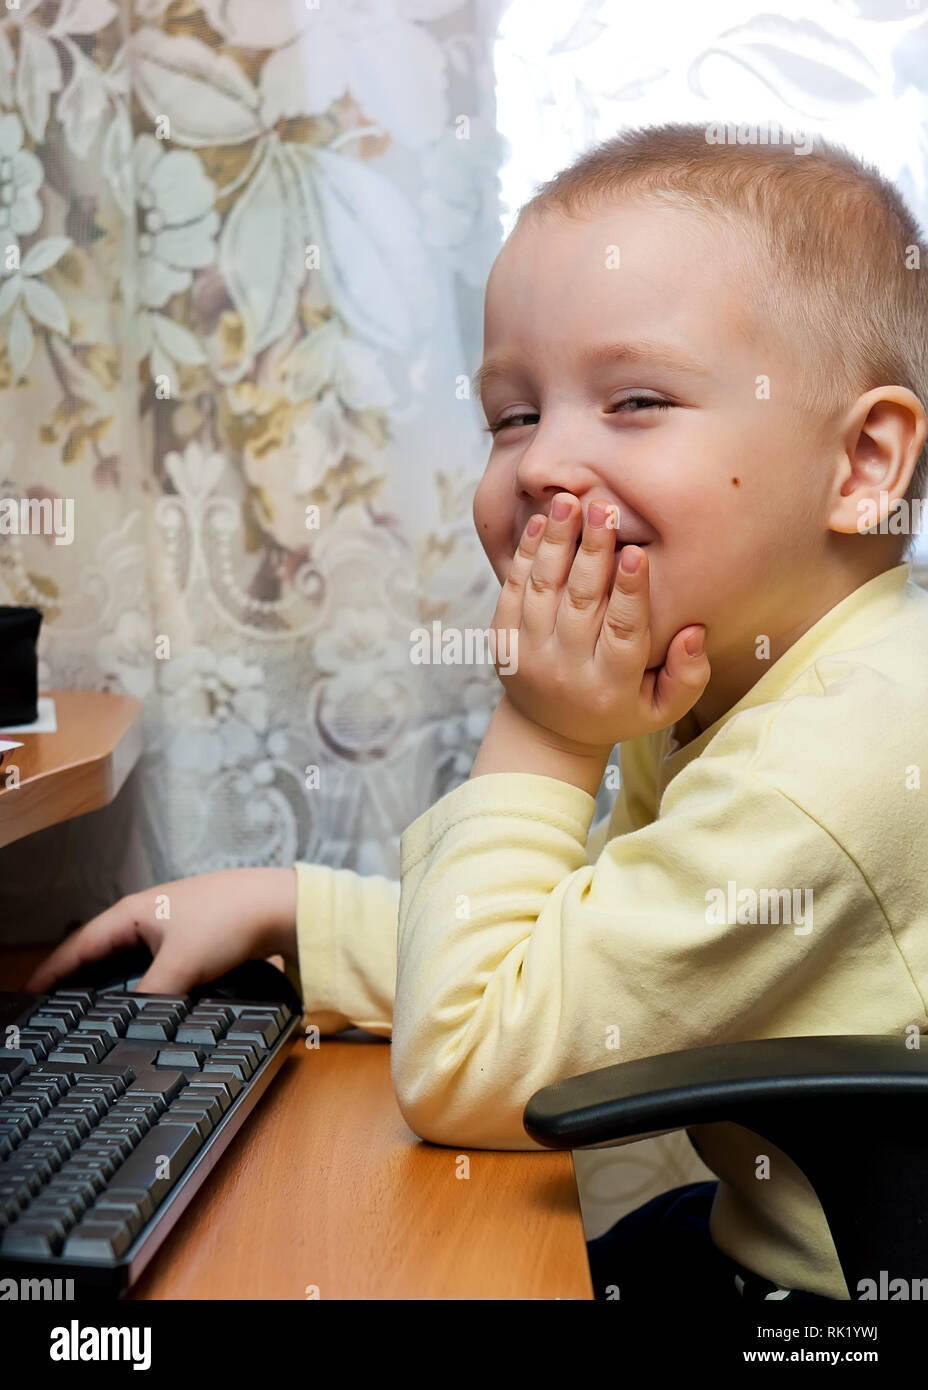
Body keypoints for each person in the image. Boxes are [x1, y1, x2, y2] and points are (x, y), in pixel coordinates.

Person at [26, 123, 928, 1303]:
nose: (544, 463)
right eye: (511, 415)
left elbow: (473, 1064)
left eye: (636, 399)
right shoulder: (748, 677)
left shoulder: (834, 761)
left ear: (862, 462)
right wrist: (296, 910)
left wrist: (547, 737)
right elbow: (580, 948)